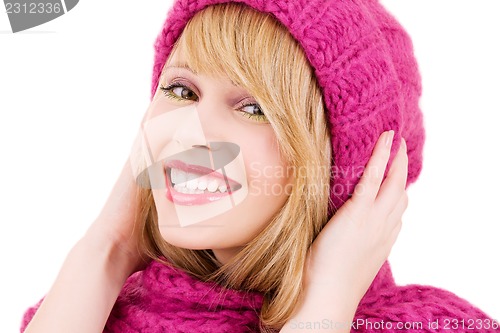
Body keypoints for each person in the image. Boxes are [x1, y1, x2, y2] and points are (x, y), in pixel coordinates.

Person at [20, 0, 498, 332]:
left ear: (344, 164)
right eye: (181, 92)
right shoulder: (88, 310)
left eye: (252, 108)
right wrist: (110, 244)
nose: (186, 134)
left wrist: (324, 304)